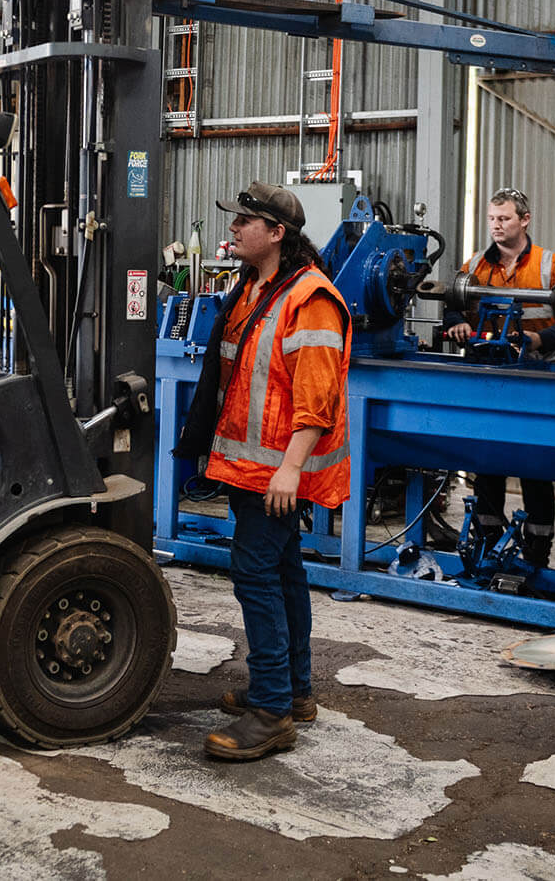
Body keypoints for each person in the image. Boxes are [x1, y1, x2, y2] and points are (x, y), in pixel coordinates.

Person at [179, 180, 351, 761]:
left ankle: (273, 709)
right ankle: (295, 692)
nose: (232, 229)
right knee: (282, 572)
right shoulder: (254, 289)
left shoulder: (311, 298)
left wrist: (291, 470)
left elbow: (317, 398)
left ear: (277, 234)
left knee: (255, 575)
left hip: (276, 472)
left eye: (243, 222)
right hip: (249, 467)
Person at [443, 186, 555, 566]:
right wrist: (457, 324)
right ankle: (488, 543)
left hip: (539, 377)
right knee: (488, 459)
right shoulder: (474, 266)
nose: (496, 226)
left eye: (503, 219)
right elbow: (451, 308)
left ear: (524, 220)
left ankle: (536, 552)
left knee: (534, 463)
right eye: (491, 219)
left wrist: (539, 337)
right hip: (489, 376)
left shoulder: (552, 266)